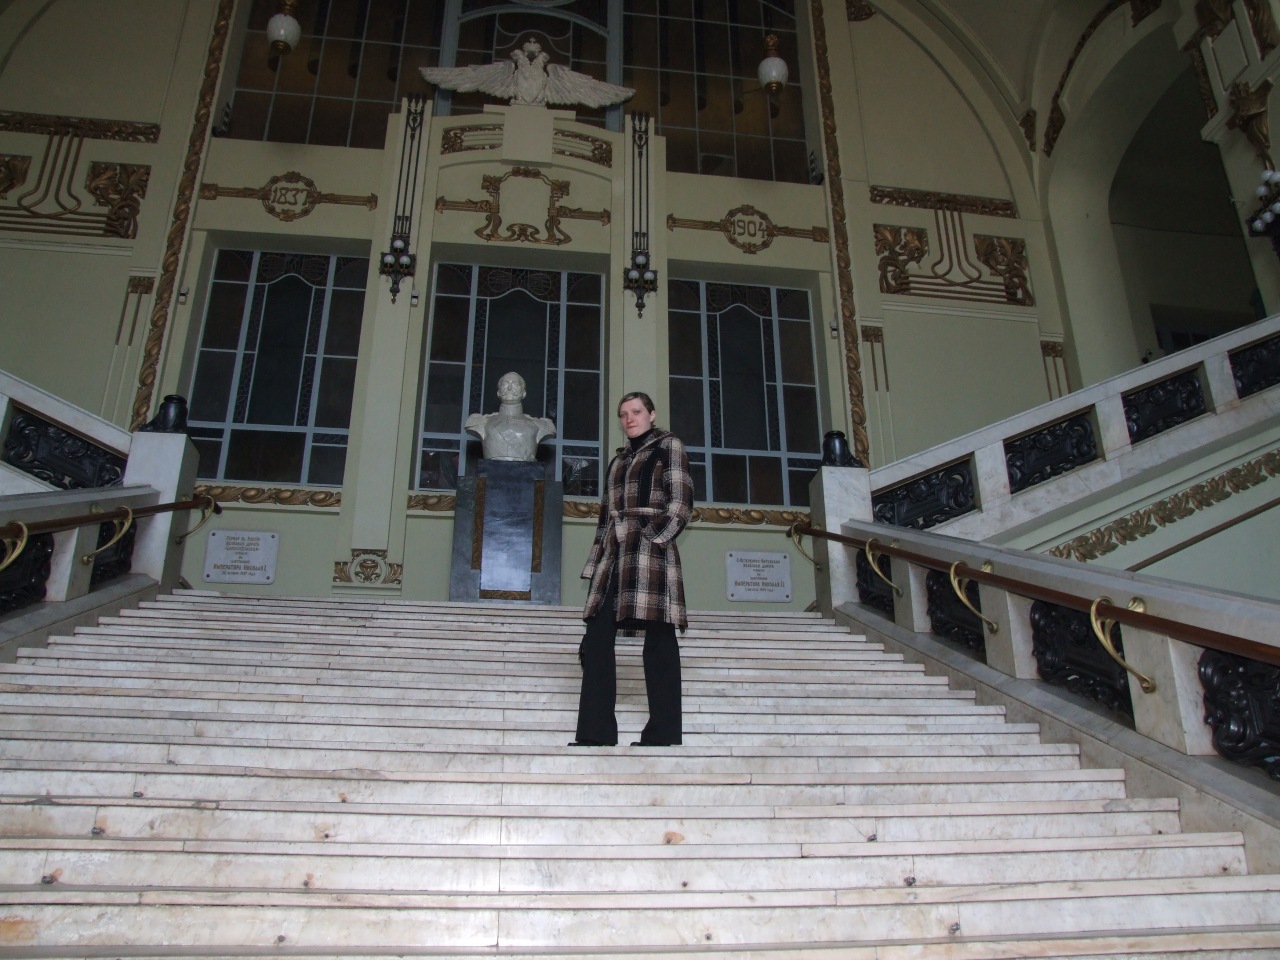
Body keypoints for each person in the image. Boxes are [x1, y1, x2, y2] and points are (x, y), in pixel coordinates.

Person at [570, 391, 694, 747]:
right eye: (623, 414)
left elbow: (681, 504)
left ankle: (663, 735)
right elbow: (604, 518)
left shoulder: (669, 446)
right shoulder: (618, 461)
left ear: (651, 414)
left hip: (650, 553)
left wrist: (653, 538)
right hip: (614, 553)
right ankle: (595, 734)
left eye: (636, 411)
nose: (629, 419)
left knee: (660, 639)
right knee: (596, 638)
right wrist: (597, 561)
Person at [464, 372, 556, 462]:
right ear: (498, 392)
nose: (509, 388)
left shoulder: (541, 425)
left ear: (523, 393)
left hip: (525, 470)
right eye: (505, 384)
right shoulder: (479, 422)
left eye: (515, 384)